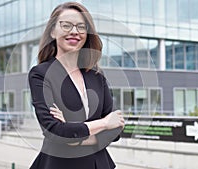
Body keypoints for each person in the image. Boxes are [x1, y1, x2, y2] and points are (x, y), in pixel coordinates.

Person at [28, 2, 125, 169]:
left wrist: (74, 138)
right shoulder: (41, 74)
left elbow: (116, 129)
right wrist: (103, 123)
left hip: (98, 164)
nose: (74, 31)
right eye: (66, 25)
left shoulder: (96, 76)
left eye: (81, 27)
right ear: (53, 31)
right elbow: (54, 131)